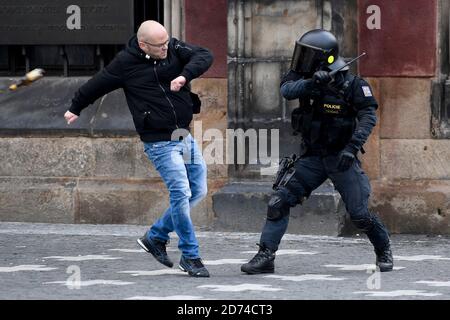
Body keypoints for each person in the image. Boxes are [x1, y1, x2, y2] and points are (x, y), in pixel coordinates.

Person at [64, 20, 213, 277]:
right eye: (160, 45)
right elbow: (96, 85)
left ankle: (155, 236)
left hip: (182, 134)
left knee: (198, 189)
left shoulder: (173, 48)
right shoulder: (125, 63)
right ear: (143, 44)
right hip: (159, 142)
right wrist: (75, 107)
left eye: (167, 42)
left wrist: (183, 75)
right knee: (181, 192)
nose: (166, 48)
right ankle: (191, 256)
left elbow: (205, 55)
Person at [241, 29, 393, 274]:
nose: (302, 58)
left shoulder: (353, 85)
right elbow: (287, 90)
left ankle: (383, 248)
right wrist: (312, 83)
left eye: (309, 54)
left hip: (341, 158)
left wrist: (352, 147)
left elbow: (368, 118)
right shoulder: (304, 77)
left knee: (359, 214)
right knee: (278, 202)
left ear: (326, 58)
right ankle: (265, 256)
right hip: (312, 157)